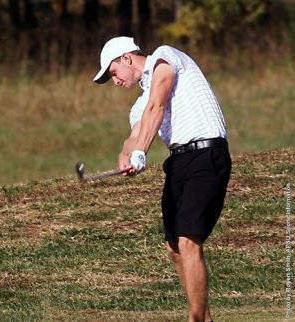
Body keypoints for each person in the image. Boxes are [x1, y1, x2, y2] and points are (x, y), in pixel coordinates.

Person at [93, 36, 231, 322]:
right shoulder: (139, 103)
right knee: (174, 247)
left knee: (188, 240)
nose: (115, 82)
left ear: (127, 59)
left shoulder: (165, 57)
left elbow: (158, 104)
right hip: (179, 162)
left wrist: (142, 152)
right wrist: (126, 154)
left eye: (113, 73)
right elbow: (135, 131)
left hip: (206, 154)